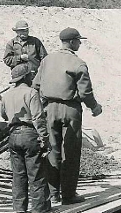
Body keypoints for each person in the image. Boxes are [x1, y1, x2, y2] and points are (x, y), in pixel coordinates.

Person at [33, 27, 103, 204]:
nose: (80, 43)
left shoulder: (47, 60)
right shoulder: (78, 63)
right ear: (72, 42)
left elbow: (36, 85)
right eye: (78, 41)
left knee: (52, 150)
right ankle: (69, 195)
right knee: (70, 152)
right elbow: (85, 92)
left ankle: (53, 193)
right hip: (71, 109)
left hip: (49, 108)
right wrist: (95, 107)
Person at [0, 63, 51, 213]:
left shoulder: (7, 95)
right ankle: (39, 208)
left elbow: (3, 115)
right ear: (26, 77)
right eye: (31, 75)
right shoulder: (31, 93)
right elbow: (38, 118)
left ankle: (20, 208)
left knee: (18, 174)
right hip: (29, 134)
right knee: (36, 172)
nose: (32, 78)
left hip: (13, 134)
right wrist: (44, 138)